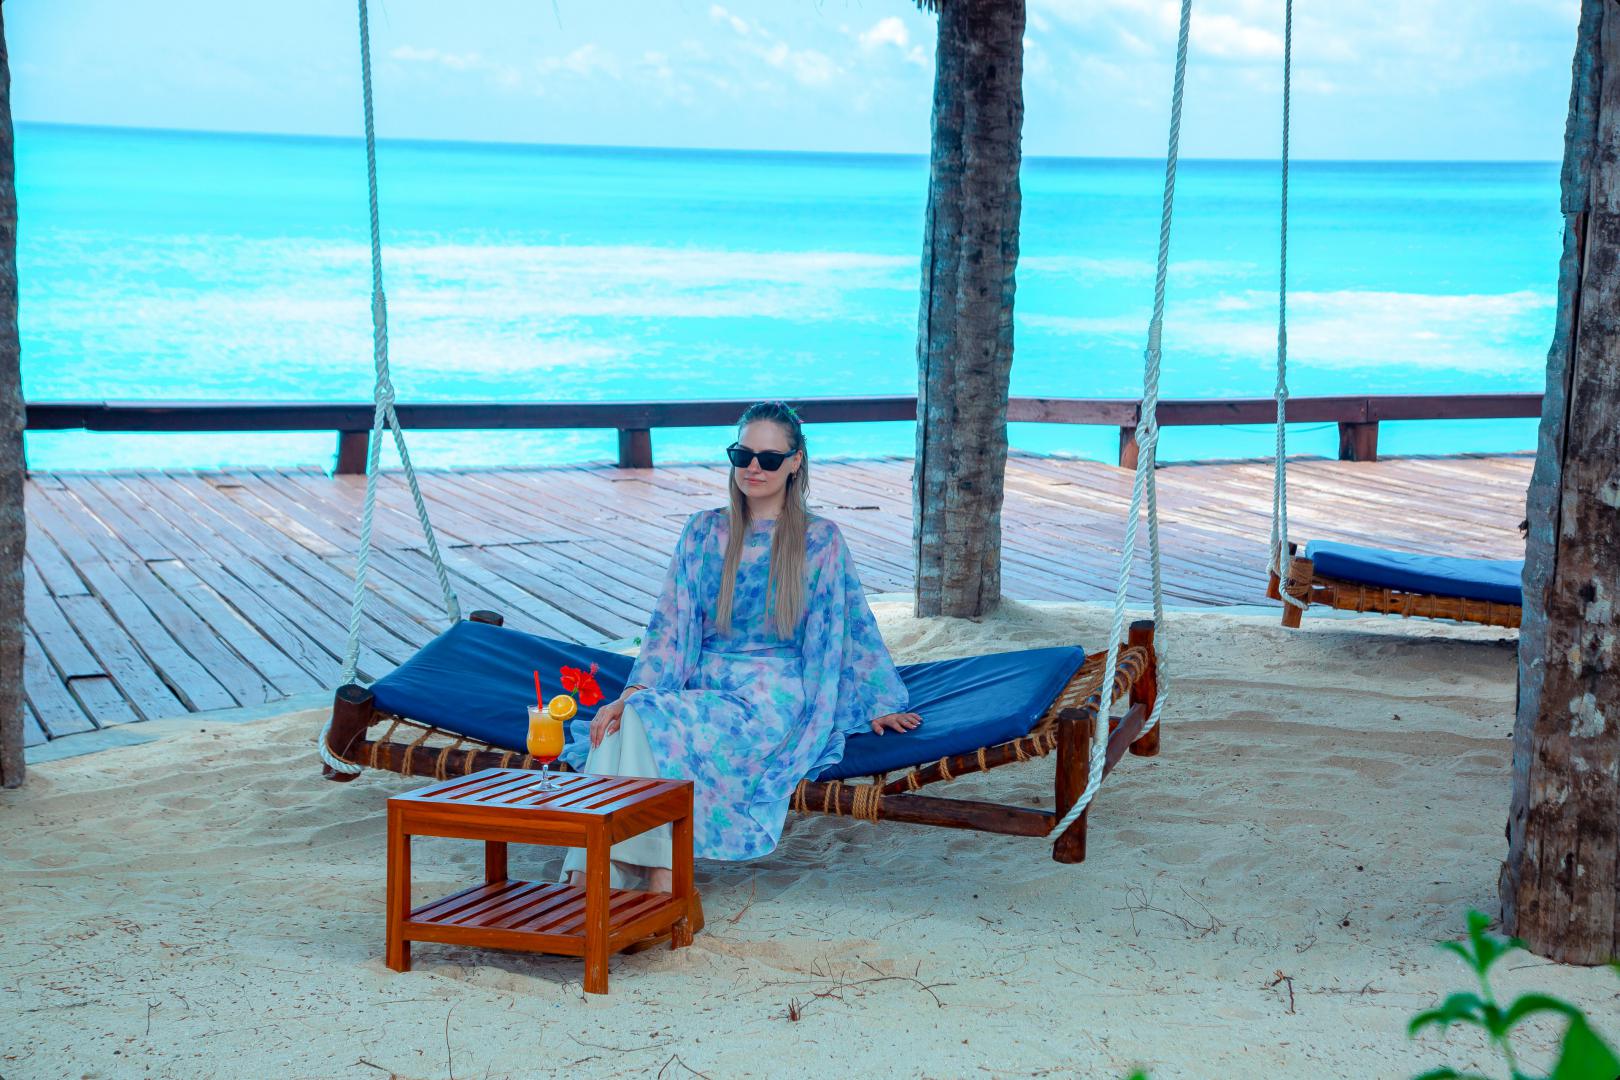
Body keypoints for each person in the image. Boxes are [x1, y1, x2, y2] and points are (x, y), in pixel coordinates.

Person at [559, 401, 922, 892]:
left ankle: (598, 877)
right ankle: (645, 876)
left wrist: (879, 700)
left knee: (640, 721)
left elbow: (852, 622)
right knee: (622, 724)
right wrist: (632, 693)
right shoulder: (704, 531)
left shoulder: (819, 540)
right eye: (742, 455)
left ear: (795, 462)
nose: (754, 467)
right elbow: (669, 626)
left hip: (773, 699)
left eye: (769, 459)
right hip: (704, 688)